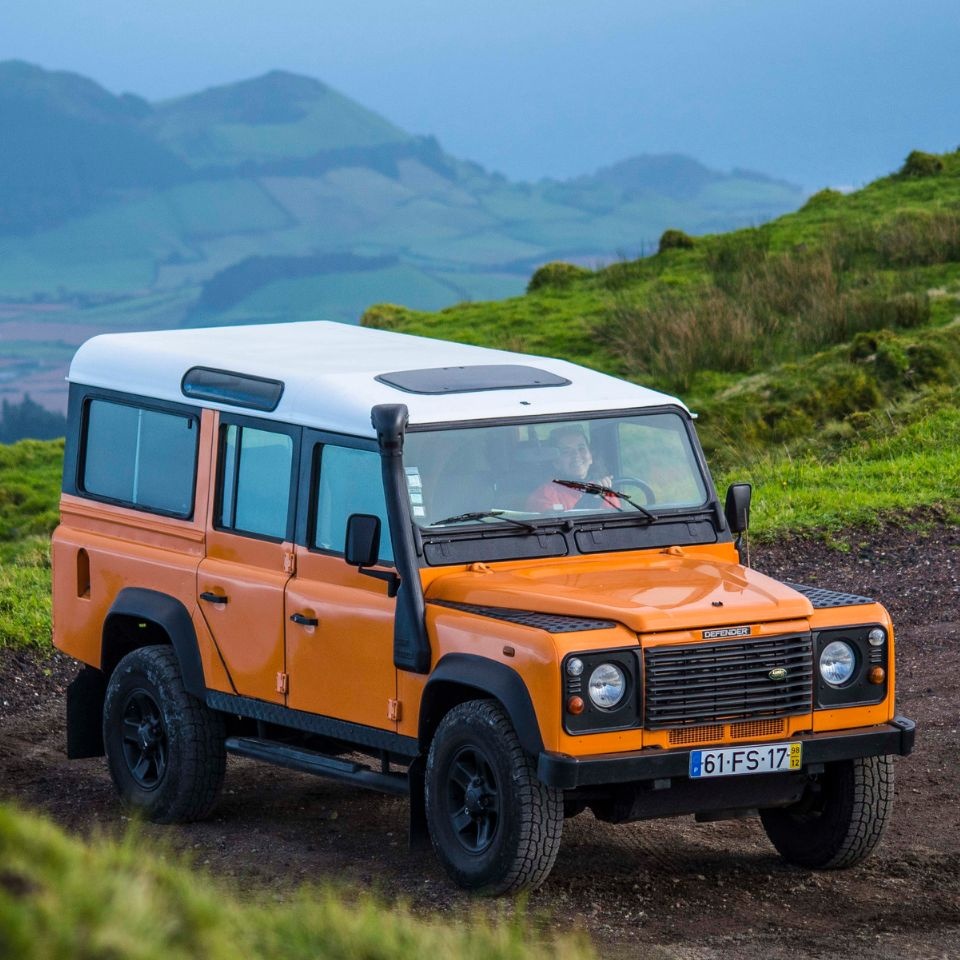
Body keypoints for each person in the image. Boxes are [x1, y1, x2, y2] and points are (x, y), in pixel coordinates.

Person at [526, 425, 620, 512]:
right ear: (556, 462)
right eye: (566, 451)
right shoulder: (543, 496)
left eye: (581, 448)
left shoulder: (604, 490)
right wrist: (591, 500)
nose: (576, 455)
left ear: (591, 456)